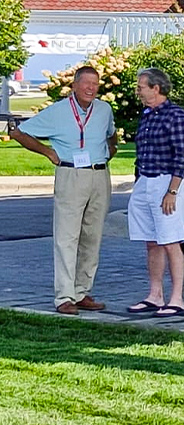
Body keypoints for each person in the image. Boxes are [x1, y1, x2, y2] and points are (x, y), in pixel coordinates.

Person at [10, 65, 117, 314]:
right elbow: (19, 133)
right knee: (67, 237)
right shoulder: (58, 111)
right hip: (71, 174)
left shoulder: (104, 110)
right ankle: (64, 297)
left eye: (95, 83)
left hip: (99, 175)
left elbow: (111, 136)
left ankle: (82, 292)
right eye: (86, 83)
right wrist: (47, 152)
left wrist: (110, 151)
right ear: (74, 86)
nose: (91, 88)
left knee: (93, 236)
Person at [127, 68, 184, 317]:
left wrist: (172, 191)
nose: (138, 91)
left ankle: (177, 298)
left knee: (170, 240)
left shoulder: (176, 116)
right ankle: (155, 295)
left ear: (156, 88)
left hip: (168, 181)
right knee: (152, 240)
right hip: (146, 180)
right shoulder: (147, 115)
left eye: (142, 86)